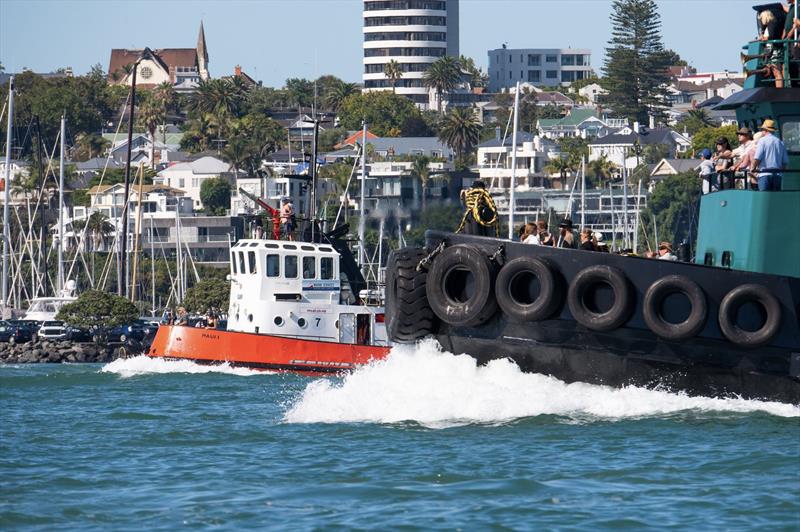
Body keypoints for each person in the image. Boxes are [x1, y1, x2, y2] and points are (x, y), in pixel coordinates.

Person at [751, 119, 789, 191]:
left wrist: (753, 168)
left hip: (764, 174)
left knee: (764, 197)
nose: (761, 131)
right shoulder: (780, 142)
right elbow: (785, 162)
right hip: (777, 175)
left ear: (765, 130)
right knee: (776, 198)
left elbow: (757, 158)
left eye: (762, 129)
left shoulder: (762, 141)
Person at [758, 9, 787, 88]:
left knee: (777, 72)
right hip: (773, 50)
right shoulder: (772, 24)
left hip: (774, 50)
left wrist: (763, 38)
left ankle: (780, 90)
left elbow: (771, 36)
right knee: (776, 72)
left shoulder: (772, 23)